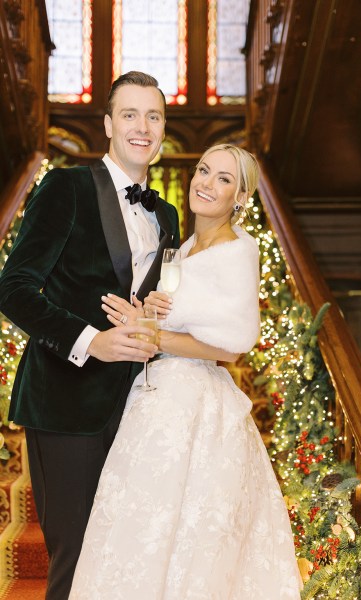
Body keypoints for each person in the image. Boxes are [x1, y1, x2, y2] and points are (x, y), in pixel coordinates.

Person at [69, 144, 302, 599]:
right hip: (158, 394)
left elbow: (232, 347)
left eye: (223, 179)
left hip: (196, 403)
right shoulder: (185, 246)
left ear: (240, 197)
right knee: (142, 525)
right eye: (203, 170)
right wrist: (149, 313)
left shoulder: (239, 251)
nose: (206, 183)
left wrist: (155, 337)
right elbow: (181, 316)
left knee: (191, 533)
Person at [0, 71, 180, 599]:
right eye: (130, 114)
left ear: (164, 128)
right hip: (66, 402)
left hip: (138, 407)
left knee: (123, 558)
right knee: (76, 560)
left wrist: (155, 316)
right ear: (107, 124)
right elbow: (13, 288)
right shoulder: (67, 187)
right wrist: (90, 341)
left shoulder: (166, 214)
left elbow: (147, 296)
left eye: (153, 116)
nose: (142, 127)